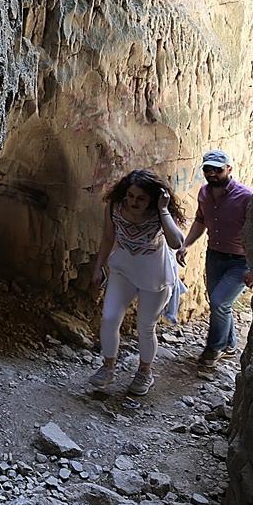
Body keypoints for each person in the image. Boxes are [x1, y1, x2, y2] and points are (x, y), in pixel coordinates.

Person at [89, 169, 186, 395]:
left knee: (145, 326)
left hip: (155, 275)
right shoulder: (115, 207)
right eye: (131, 196)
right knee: (110, 318)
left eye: (141, 198)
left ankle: (144, 371)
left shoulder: (158, 213)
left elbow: (176, 241)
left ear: (151, 198)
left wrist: (163, 209)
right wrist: (98, 267)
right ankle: (108, 366)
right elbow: (107, 237)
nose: (134, 202)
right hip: (123, 269)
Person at [175, 149, 253, 369]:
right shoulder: (203, 194)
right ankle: (230, 345)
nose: (211, 174)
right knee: (221, 303)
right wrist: (185, 245)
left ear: (229, 169)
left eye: (217, 170)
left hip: (241, 261)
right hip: (215, 257)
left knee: (220, 302)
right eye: (207, 169)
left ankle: (214, 349)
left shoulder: (246, 197)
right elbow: (200, 221)